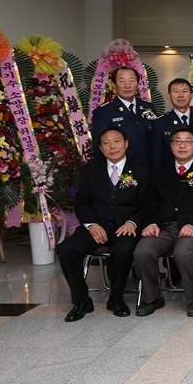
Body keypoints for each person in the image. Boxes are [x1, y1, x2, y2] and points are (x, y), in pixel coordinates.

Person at [58, 127, 150, 322]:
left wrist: (133, 223)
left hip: (124, 227)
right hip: (96, 226)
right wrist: (91, 225)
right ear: (100, 148)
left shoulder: (141, 171)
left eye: (116, 141)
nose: (112, 146)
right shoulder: (90, 171)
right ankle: (81, 300)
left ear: (126, 144)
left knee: (124, 249)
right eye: (106, 143)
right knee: (66, 248)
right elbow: (81, 202)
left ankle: (116, 299)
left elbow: (147, 204)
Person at [134, 127, 193, 317]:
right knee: (142, 251)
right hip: (163, 226)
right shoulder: (159, 173)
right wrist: (151, 223)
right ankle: (152, 298)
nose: (182, 145)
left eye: (187, 141)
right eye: (177, 141)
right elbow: (148, 202)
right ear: (171, 146)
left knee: (183, 252)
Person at [91, 66, 155, 166]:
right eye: (122, 81)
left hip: (149, 169)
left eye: (131, 81)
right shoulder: (103, 112)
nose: (127, 86)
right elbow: (98, 147)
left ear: (138, 84)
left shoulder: (148, 107)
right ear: (114, 85)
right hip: (123, 171)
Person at [151, 78, 193, 169]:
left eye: (184, 91)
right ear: (169, 96)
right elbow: (157, 156)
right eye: (176, 91)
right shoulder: (160, 123)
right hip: (170, 175)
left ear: (192, 95)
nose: (180, 95)